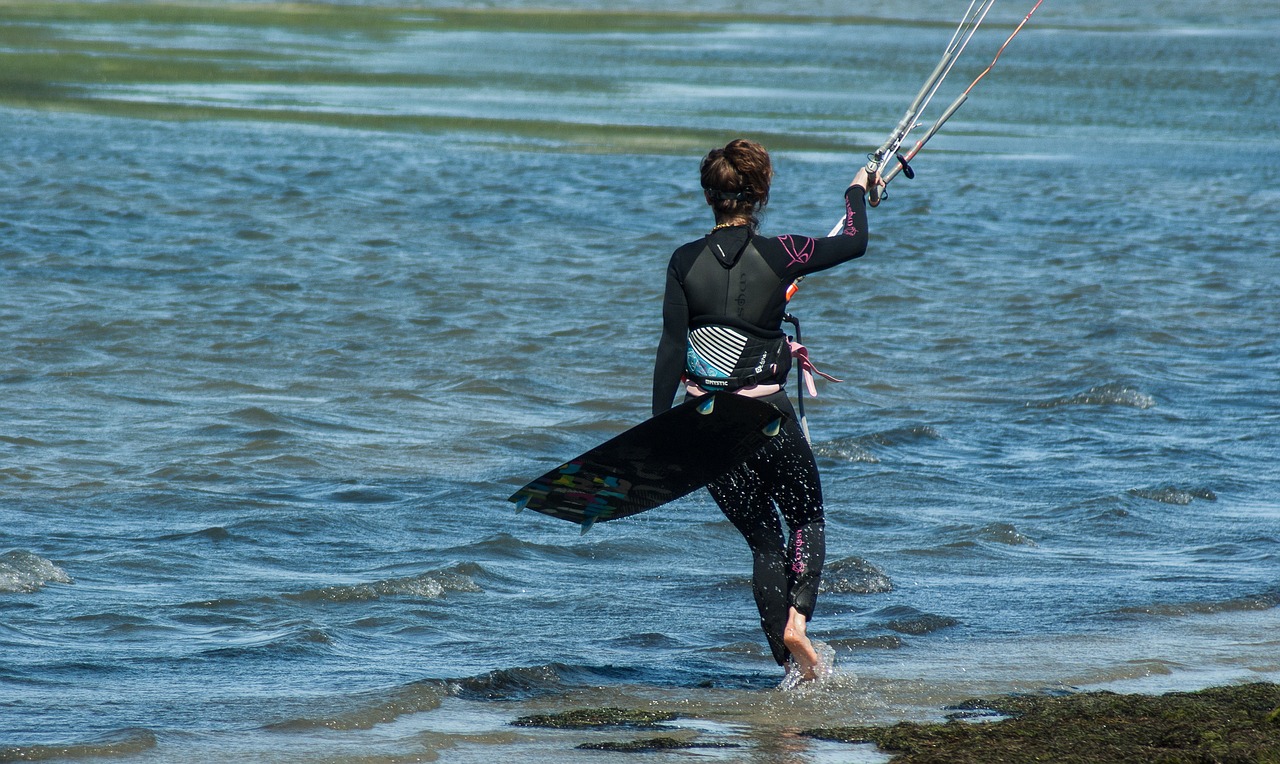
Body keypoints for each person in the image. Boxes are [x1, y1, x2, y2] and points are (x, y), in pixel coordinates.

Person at [652, 138, 872, 683]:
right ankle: (798, 625)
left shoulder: (683, 262)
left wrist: (663, 431)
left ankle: (785, 657)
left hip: (705, 424)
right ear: (762, 194)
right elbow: (852, 241)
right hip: (766, 417)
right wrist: (857, 191)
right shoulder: (782, 254)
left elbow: (669, 351)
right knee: (807, 519)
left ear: (709, 196)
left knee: (762, 538)